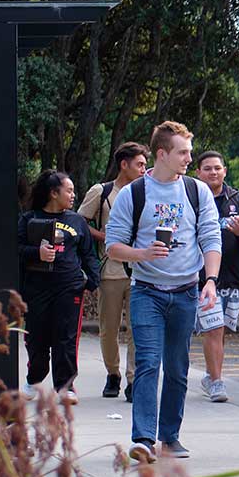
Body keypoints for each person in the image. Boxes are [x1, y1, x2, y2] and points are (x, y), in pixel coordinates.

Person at [105, 121, 221, 464]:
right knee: (147, 364)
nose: (189, 158)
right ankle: (143, 439)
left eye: (189, 151)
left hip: (186, 291)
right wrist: (143, 254)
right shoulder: (134, 193)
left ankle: (170, 437)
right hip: (147, 292)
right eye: (183, 152)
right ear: (162, 154)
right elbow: (112, 247)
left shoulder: (196, 191)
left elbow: (211, 238)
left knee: (177, 368)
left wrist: (210, 280)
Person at [18, 170, 99, 402]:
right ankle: (33, 380)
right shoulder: (28, 219)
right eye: (69, 190)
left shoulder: (76, 221)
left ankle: (65, 387)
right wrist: (38, 253)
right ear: (54, 193)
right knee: (37, 338)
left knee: (66, 338)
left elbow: (88, 254)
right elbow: (16, 249)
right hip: (36, 289)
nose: (73, 195)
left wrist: (92, 280)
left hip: (69, 288)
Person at [77, 142, 148, 398]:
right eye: (139, 164)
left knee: (138, 327)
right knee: (109, 328)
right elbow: (79, 222)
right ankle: (113, 373)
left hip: (142, 269)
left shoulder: (147, 191)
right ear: (124, 164)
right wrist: (103, 237)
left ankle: (133, 380)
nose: (144, 169)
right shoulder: (103, 191)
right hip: (111, 270)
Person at [194, 150, 239, 402]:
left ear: (225, 171)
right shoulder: (191, 198)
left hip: (233, 277)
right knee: (214, 329)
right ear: (198, 172)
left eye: (217, 168)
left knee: (222, 330)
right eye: (207, 168)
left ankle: (210, 374)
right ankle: (217, 382)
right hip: (203, 279)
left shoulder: (238, 201)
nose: (213, 172)